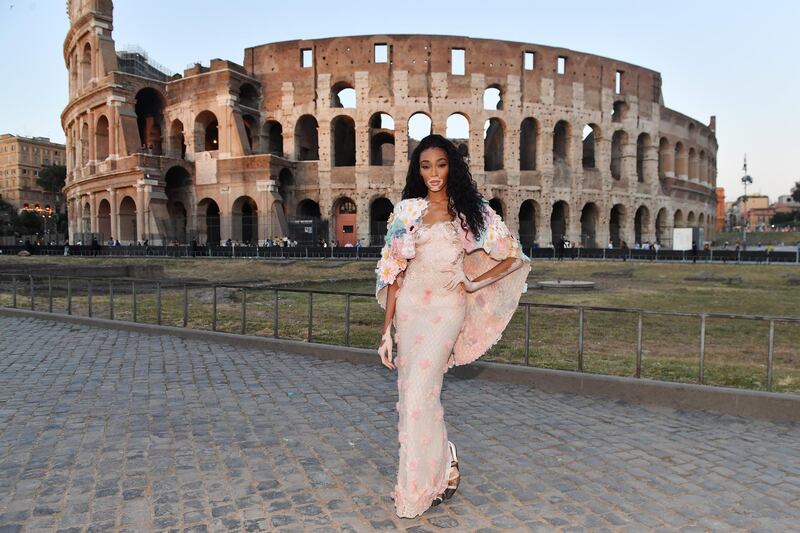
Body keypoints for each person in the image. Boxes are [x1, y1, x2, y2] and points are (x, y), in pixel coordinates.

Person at [375, 134, 531, 518]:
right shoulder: (407, 212)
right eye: (426, 166)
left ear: (452, 167)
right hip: (411, 310)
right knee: (413, 394)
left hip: (446, 309)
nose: (433, 174)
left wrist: (473, 280)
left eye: (441, 165)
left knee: (418, 395)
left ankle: (418, 489)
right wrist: (386, 330)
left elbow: (512, 255)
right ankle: (442, 468)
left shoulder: (469, 212)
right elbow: (394, 272)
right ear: (418, 170)